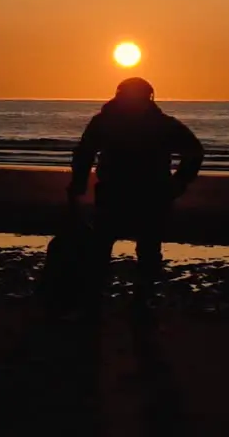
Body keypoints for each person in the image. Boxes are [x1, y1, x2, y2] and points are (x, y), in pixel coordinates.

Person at [66, 77, 204, 313]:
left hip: (147, 194)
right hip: (125, 192)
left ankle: (135, 299)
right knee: (108, 247)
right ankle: (110, 299)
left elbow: (194, 152)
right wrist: (178, 183)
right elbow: (84, 153)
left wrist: (179, 182)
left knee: (136, 248)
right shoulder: (146, 123)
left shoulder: (152, 124)